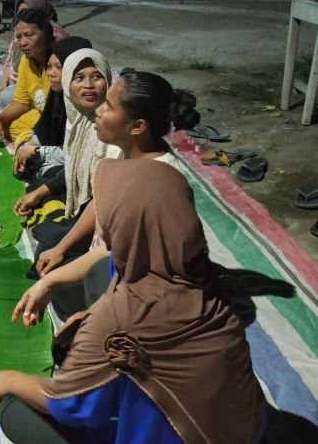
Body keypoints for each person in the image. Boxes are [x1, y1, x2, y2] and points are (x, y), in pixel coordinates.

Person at [0, 159, 266, 444]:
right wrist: (89, 317)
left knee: (15, 412)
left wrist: (8, 380)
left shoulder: (118, 318)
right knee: (99, 273)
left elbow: (70, 407)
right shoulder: (206, 277)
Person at [33, 71, 200, 306]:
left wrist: (49, 282)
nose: (98, 110)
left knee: (55, 287)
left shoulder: (151, 184)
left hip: (135, 285)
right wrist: (61, 248)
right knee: (48, 254)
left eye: (108, 107)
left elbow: (114, 253)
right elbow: (99, 203)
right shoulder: (128, 153)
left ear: (137, 126)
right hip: (107, 258)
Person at [12, 36, 92, 193]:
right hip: (58, 154)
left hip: (80, 166)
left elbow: (80, 155)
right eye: (48, 66)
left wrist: (38, 151)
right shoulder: (59, 96)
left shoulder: (89, 103)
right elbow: (45, 129)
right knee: (25, 158)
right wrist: (29, 146)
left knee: (47, 179)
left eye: (59, 67)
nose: (51, 73)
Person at [0, 0, 68, 108]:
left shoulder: (55, 46)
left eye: (29, 35)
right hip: (19, 81)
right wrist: (4, 85)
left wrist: (3, 98)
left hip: (37, 92)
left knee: (7, 98)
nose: (22, 43)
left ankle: (2, 102)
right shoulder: (22, 41)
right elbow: (9, 62)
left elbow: (44, 92)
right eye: (20, 13)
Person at [0, 8, 55, 144]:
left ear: (45, 33)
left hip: (55, 119)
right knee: (6, 128)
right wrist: (0, 118)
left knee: (29, 138)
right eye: (19, 37)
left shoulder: (57, 62)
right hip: (38, 113)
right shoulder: (26, 61)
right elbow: (22, 102)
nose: (23, 43)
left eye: (29, 35)